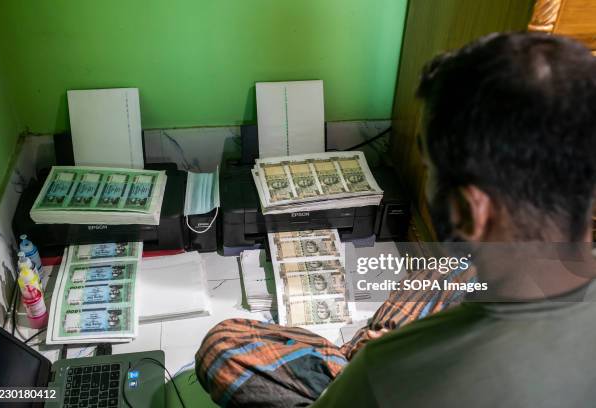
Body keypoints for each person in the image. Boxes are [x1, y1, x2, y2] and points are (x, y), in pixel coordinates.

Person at [195, 32, 596, 407]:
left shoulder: (387, 373)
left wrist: (378, 356)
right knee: (452, 264)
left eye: (429, 169)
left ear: (467, 210)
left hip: (376, 377)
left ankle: (354, 354)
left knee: (223, 347)